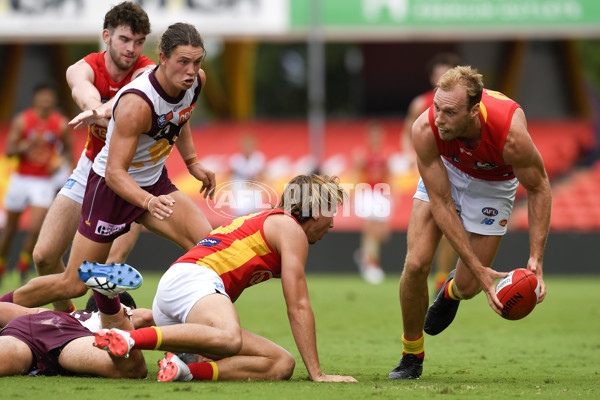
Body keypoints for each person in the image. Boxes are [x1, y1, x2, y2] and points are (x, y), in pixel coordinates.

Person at [0, 23, 215, 328]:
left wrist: (192, 162)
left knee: (209, 249)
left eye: (197, 61)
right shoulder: (136, 104)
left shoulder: (194, 82)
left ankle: (198, 333)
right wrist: (149, 203)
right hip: (111, 190)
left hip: (153, 182)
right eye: (183, 62)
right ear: (162, 58)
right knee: (73, 284)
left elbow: (181, 116)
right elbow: (114, 173)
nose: (191, 70)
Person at [85, 174, 357, 383]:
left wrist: (208, 343)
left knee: (280, 363)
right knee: (230, 338)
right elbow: (298, 305)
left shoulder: (269, 222)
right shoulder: (290, 228)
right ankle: (129, 337)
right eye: (331, 212)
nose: (332, 224)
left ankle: (184, 371)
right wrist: (318, 374)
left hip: (183, 293)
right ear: (318, 208)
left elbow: (224, 290)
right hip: (194, 280)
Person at [388, 66, 551, 380]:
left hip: (494, 184)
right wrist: (478, 266)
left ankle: (451, 291)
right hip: (447, 169)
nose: (438, 118)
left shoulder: (511, 136)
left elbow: (539, 187)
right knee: (417, 264)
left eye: (449, 112)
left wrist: (536, 257)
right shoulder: (426, 130)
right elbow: (443, 204)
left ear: (474, 111)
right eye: (436, 107)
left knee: (469, 286)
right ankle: (411, 355)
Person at [28, 1, 155, 312]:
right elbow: (82, 90)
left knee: (110, 265)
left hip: (132, 175)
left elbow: (131, 98)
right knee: (43, 257)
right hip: (90, 168)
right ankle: (69, 324)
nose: (132, 49)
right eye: (125, 39)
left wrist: (101, 111)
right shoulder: (82, 67)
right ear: (106, 36)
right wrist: (94, 106)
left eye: (139, 41)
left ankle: (107, 328)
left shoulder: (149, 72)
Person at [402, 53, 462, 295]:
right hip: (429, 168)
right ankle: (419, 275)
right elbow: (408, 133)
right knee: (429, 225)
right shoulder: (420, 103)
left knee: (452, 226)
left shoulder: (464, 104)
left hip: (458, 170)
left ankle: (441, 277)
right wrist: (409, 155)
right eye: (440, 74)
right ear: (432, 77)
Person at [0, 83, 72, 285]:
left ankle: (23, 267)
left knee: (35, 228)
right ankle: (2, 264)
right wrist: (26, 145)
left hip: (43, 182)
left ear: (54, 100)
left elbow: (67, 152)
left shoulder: (59, 123)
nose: (46, 101)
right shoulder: (23, 121)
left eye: (50, 97)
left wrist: (60, 163)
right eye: (43, 97)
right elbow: (10, 151)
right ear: (35, 99)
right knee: (10, 229)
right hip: (21, 179)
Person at [0, 290, 152, 378]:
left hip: (30, 324)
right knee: (133, 369)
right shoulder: (124, 313)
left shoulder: (71, 314)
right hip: (70, 337)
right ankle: (108, 297)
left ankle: (105, 294)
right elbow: (147, 317)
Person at [352, 122, 392, 284]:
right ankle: (372, 266)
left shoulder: (386, 155)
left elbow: (390, 177)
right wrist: (355, 194)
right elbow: (356, 175)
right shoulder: (362, 154)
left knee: (382, 234)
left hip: (381, 194)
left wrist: (392, 196)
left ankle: (364, 254)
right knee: (370, 229)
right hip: (367, 193)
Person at [228, 132, 266, 217]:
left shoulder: (258, 158)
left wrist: (253, 182)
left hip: (253, 189)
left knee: (253, 214)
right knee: (240, 214)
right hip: (240, 190)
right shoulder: (235, 160)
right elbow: (231, 177)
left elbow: (262, 176)